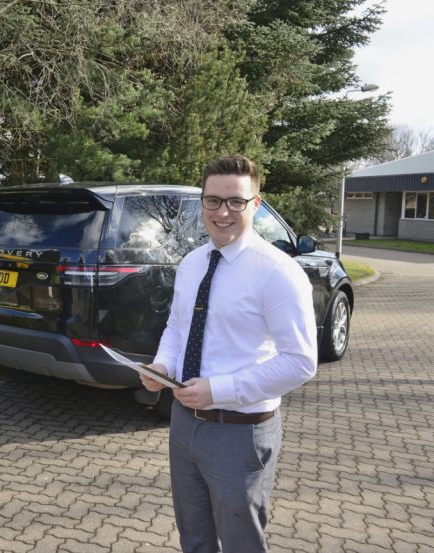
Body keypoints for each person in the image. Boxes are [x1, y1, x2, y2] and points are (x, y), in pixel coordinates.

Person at [140, 155, 318, 553]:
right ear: (201, 202)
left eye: (235, 201)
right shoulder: (192, 263)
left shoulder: (278, 272)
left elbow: (301, 360)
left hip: (240, 432)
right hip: (183, 423)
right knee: (195, 537)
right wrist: (162, 365)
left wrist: (219, 390)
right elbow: (177, 328)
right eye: (213, 200)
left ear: (255, 204)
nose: (223, 212)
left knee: (241, 543)